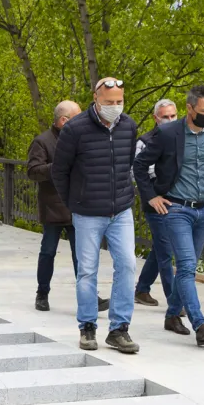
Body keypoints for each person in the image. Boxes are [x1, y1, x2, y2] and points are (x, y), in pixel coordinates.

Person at [51, 77, 139, 354]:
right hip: (87, 212)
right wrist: (74, 202)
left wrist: (125, 195)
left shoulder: (128, 126)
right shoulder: (75, 129)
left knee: (127, 266)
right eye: (109, 102)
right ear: (96, 98)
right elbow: (59, 171)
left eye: (119, 101)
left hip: (121, 210)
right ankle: (87, 327)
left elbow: (127, 165)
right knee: (87, 271)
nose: (115, 107)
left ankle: (119, 329)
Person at [133, 84, 204, 345]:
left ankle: (172, 315)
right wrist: (151, 196)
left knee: (189, 266)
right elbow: (140, 165)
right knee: (185, 267)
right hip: (176, 209)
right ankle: (200, 323)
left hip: (202, 210)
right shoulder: (168, 132)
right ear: (190, 108)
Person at [26, 101, 111, 313]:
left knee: (83, 255)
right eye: (78, 117)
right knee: (48, 252)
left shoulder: (80, 139)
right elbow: (33, 171)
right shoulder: (42, 141)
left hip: (79, 206)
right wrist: (59, 167)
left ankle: (89, 296)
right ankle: (42, 293)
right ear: (64, 121)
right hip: (53, 207)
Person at [133, 99, 180, 308]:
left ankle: (142, 289)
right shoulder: (145, 141)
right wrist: (153, 197)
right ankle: (174, 301)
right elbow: (138, 172)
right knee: (165, 251)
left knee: (161, 248)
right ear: (156, 118)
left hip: (178, 201)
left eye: (173, 116)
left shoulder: (183, 136)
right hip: (155, 202)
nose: (170, 120)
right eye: (165, 117)